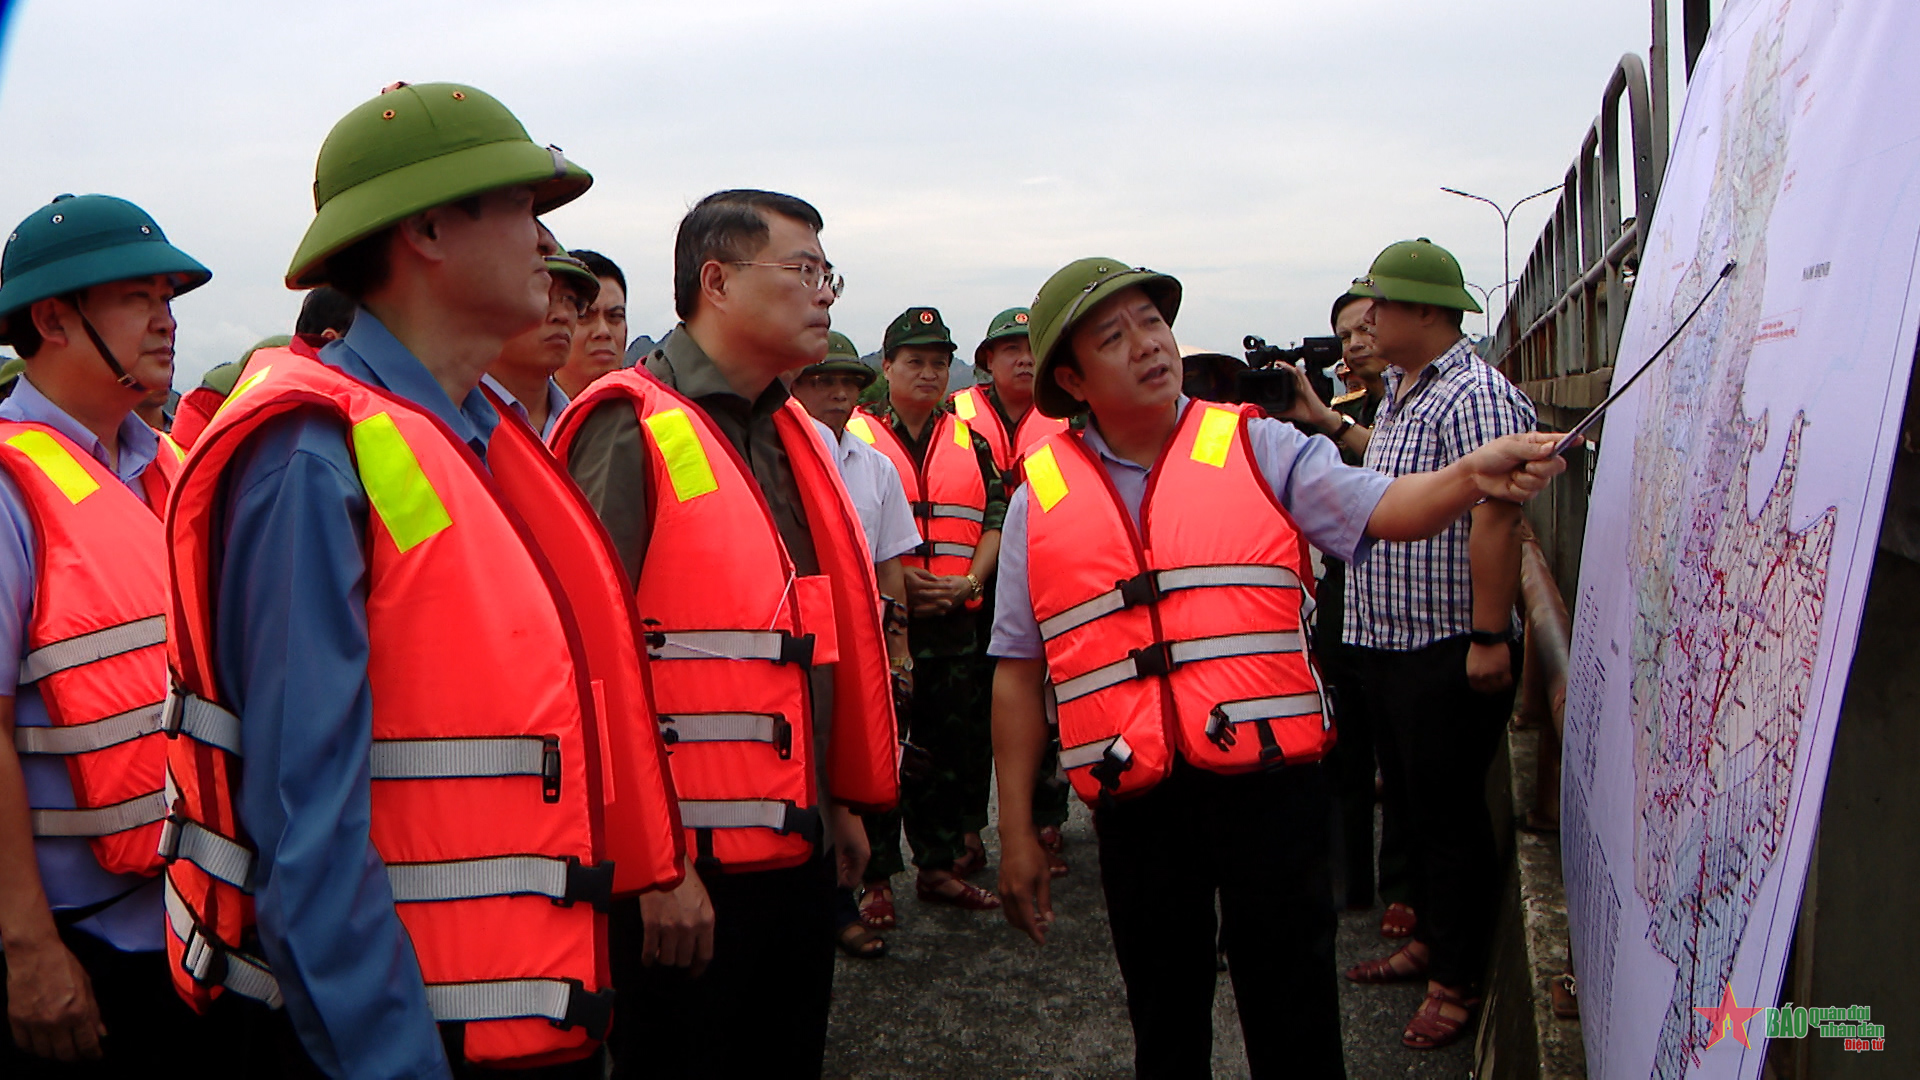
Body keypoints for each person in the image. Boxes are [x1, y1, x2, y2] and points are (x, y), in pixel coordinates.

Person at [157, 82, 684, 1078]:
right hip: (415, 1044)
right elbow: (302, 828)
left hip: (535, 1021)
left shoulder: (476, 433)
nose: (546, 245)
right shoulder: (313, 457)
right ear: (429, 230)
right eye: (524, 210)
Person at [990, 257, 1568, 1077]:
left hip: (1269, 789)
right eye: (1113, 337)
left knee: (1294, 1011)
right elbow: (1016, 670)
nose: (1149, 345)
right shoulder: (1037, 500)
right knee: (1164, 1016)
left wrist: (1472, 474)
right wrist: (1016, 833)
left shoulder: (1256, 444)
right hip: (1136, 802)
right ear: (1074, 380)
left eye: (1152, 322)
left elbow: (1384, 506)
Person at [550, 188, 897, 1079]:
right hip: (684, 882)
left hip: (794, 853)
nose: (826, 294)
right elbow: (586, 669)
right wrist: (652, 869)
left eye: (830, 274)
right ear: (718, 280)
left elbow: (802, 634)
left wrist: (837, 800)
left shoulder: (791, 434)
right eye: (805, 271)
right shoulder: (630, 426)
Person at [0, 193, 229, 1074]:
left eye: (170, 299)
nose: (167, 323)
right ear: (53, 318)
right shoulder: (11, 488)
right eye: (140, 299)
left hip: (197, 929)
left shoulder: (174, 468)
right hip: (80, 950)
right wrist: (27, 949)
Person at [1336, 239, 1538, 1051]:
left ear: (1426, 311)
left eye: (1381, 305)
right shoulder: (1400, 391)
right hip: (1387, 640)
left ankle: (1457, 980)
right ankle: (1429, 940)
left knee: (1451, 818)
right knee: (1415, 808)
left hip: (1446, 644)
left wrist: (1490, 636)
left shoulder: (1477, 399)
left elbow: (1498, 518)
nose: (1368, 319)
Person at [848, 307, 1006, 923]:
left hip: (956, 618)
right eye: (914, 361)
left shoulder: (972, 439)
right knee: (885, 752)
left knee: (951, 749)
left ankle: (940, 866)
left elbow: (997, 518)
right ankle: (877, 879)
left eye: (940, 363)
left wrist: (969, 580)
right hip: (887, 628)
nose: (929, 373)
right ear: (886, 368)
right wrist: (898, 585)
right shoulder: (854, 438)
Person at [1275, 293, 1414, 934]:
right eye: (1346, 333)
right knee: (1346, 744)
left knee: (1398, 749)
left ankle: (1402, 888)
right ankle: (1349, 878)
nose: (1359, 340)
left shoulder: (1403, 402)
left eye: (1366, 327)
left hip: (1406, 603)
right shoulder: (1361, 411)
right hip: (1349, 593)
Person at [789, 330, 923, 960]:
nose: (840, 393)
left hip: (865, 643)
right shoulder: (784, 460)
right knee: (812, 774)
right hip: (806, 644)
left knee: (871, 763)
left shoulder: (875, 468)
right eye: (823, 381)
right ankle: (826, 906)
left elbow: (891, 561)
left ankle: (865, 885)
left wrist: (899, 648)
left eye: (848, 382)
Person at [948, 307, 1073, 874]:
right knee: (972, 709)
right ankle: (968, 823)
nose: (1024, 358)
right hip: (979, 571)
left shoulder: (1068, 418)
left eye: (1031, 347)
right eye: (1009, 349)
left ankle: (1047, 818)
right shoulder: (959, 416)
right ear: (986, 362)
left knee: (1048, 701)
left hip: (1046, 568)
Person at [483, 231, 596, 439]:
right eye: (542, 293)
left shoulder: (582, 428)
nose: (562, 315)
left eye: (571, 300)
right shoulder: (453, 418)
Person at [556, 250, 626, 397]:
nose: (603, 331)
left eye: (615, 316)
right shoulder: (512, 413)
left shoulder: (652, 412)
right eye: (584, 315)